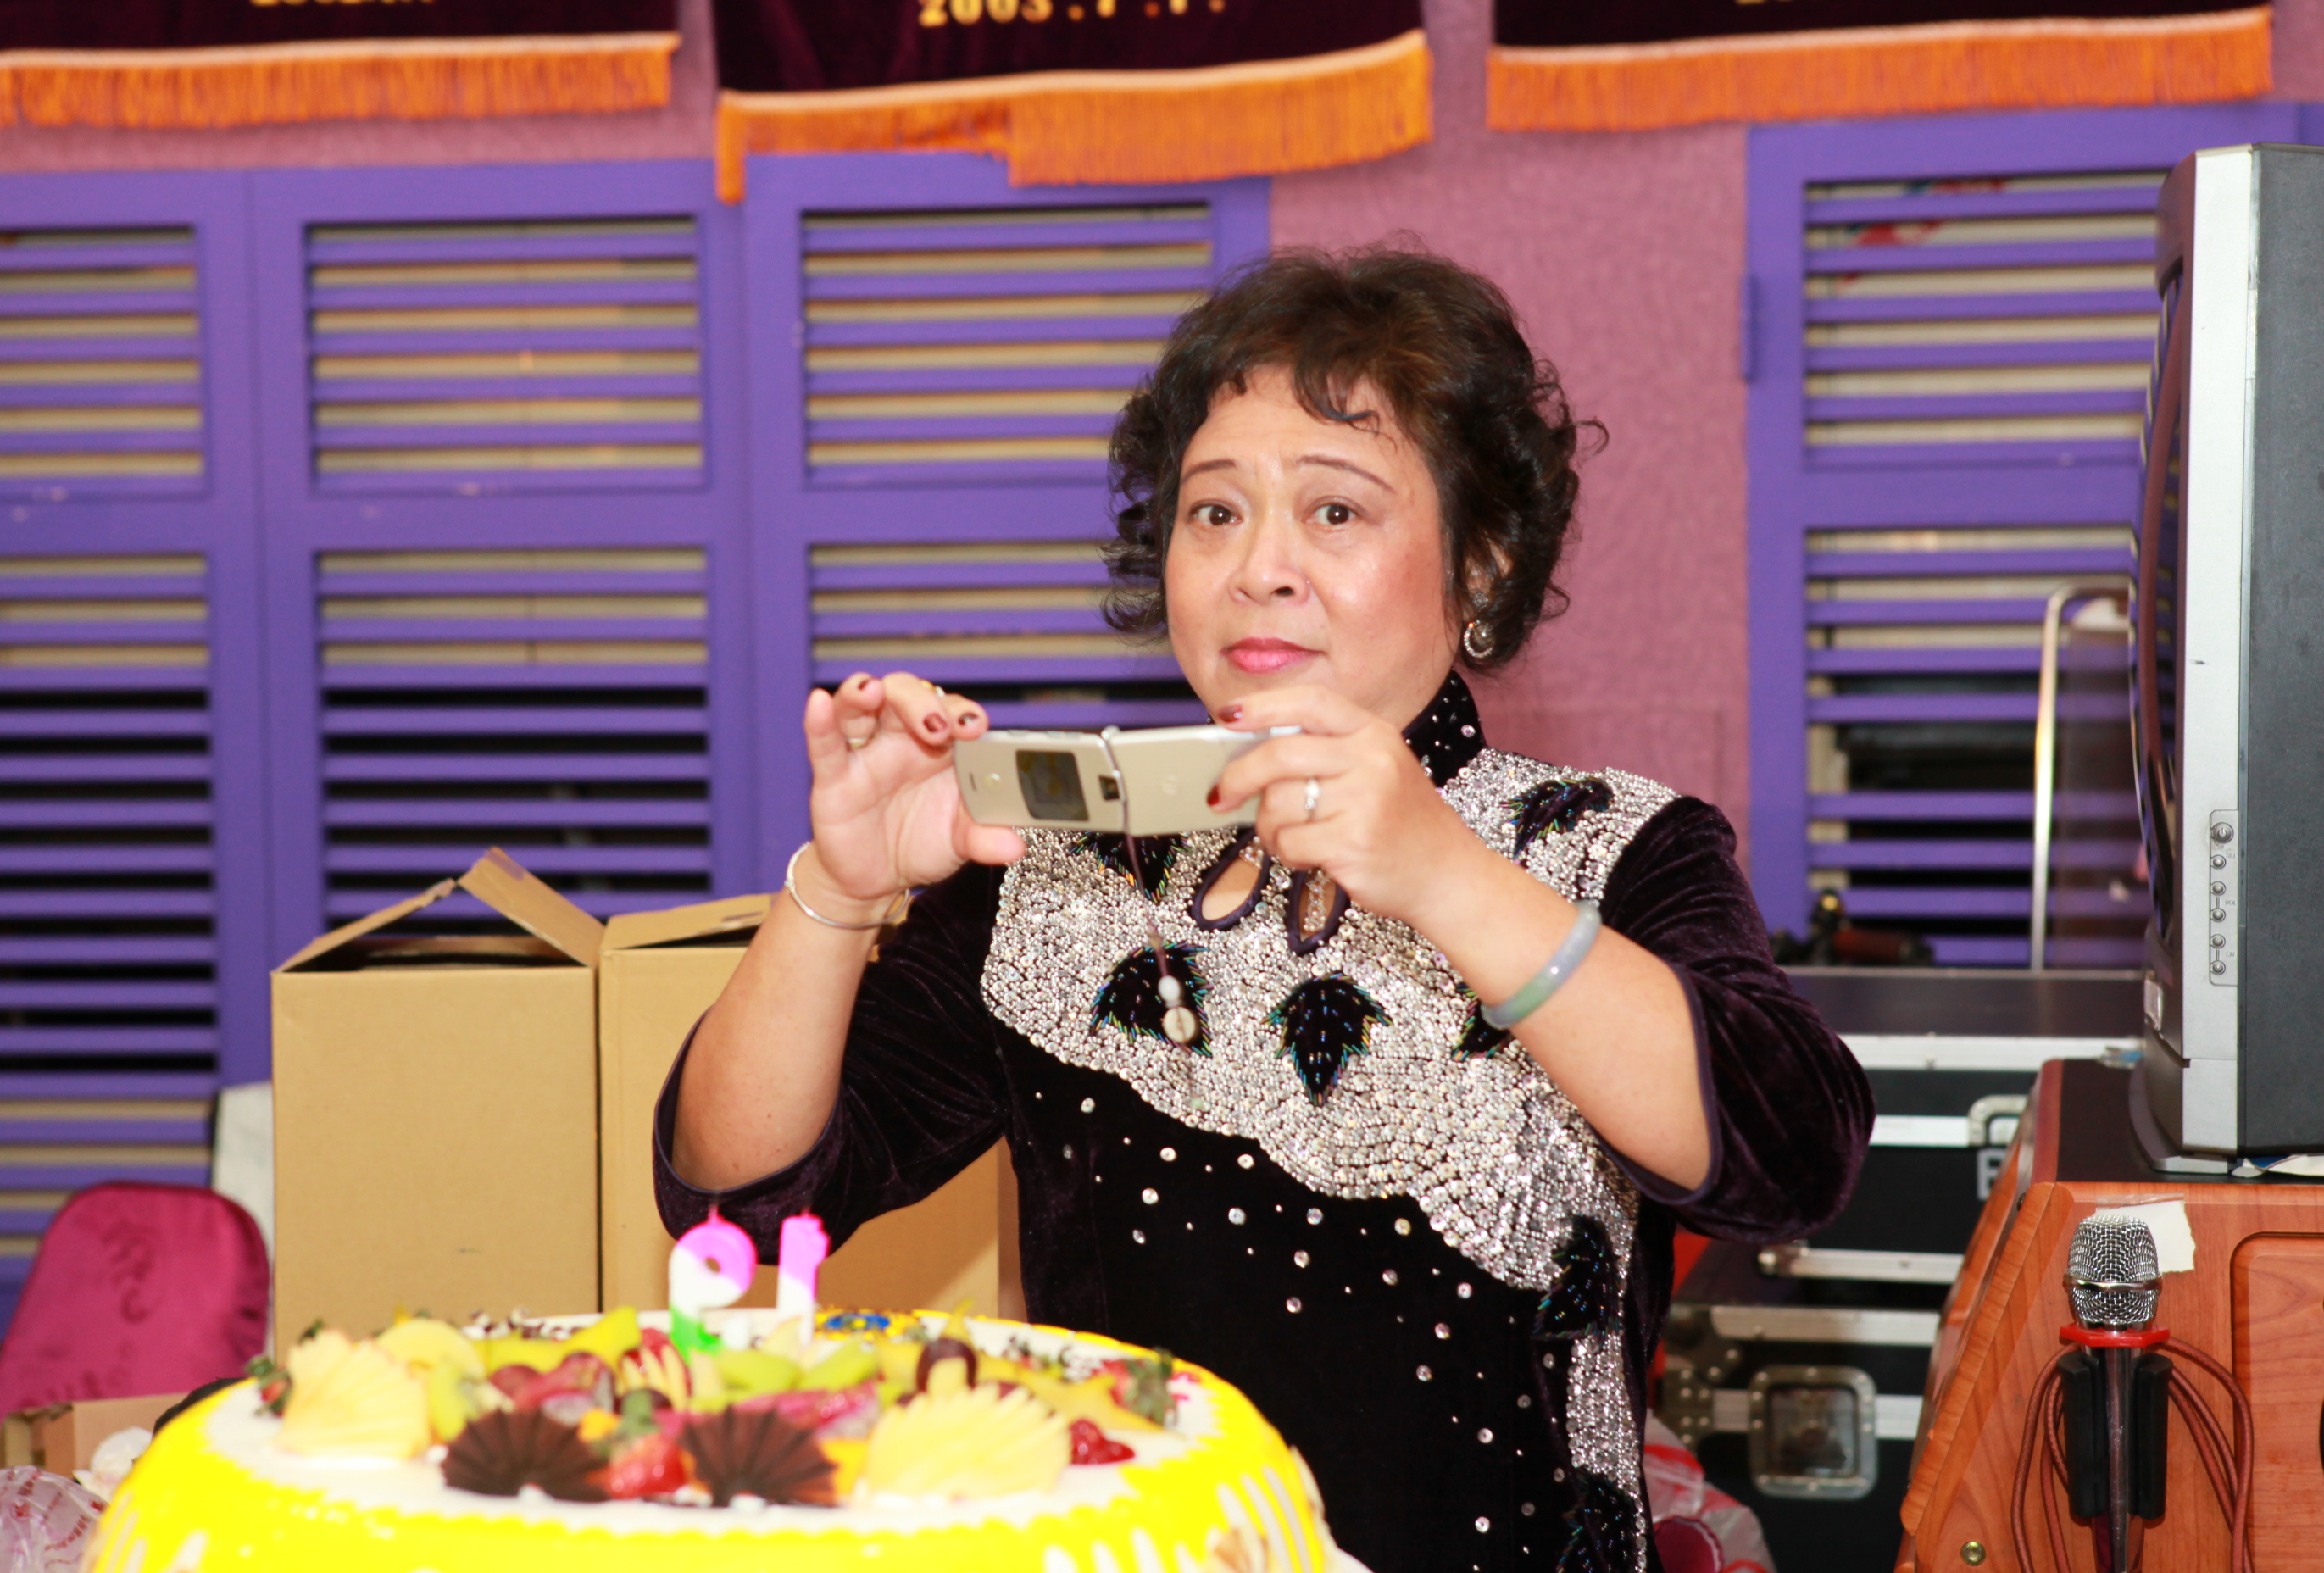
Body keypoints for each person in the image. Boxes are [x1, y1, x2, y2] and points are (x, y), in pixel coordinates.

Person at [657, 247, 1871, 1572]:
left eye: (1336, 511)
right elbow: (739, 1196)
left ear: (1479, 565)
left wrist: (1445, 876)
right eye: (1216, 512)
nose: (1260, 568)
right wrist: (841, 887)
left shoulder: (1610, 848)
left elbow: (1791, 1159)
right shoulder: (1065, 869)